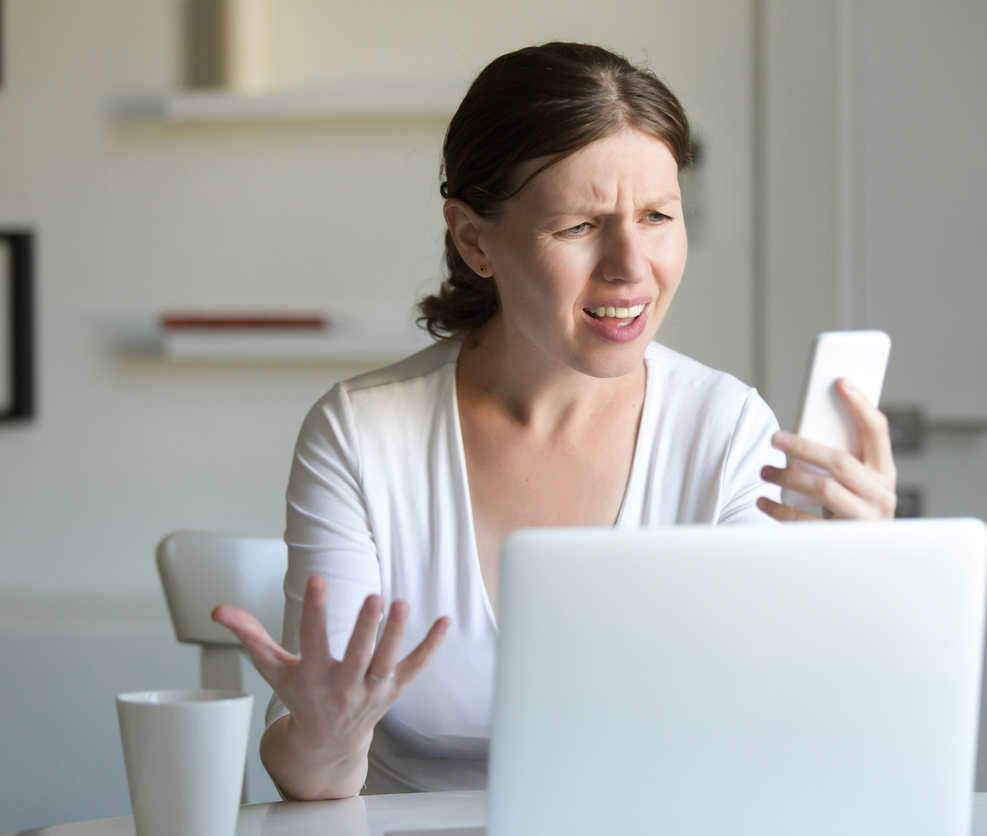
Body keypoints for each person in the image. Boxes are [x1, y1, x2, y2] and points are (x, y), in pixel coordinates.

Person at [212, 42, 898, 801]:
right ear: (475, 240)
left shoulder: (729, 431)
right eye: (579, 227)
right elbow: (314, 780)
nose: (631, 265)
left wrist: (852, 597)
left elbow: (763, 735)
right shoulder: (362, 435)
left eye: (658, 216)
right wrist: (326, 736)